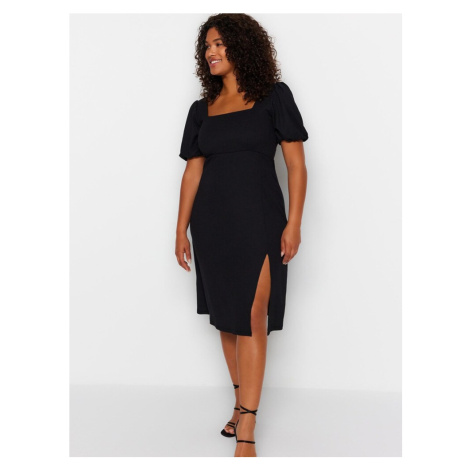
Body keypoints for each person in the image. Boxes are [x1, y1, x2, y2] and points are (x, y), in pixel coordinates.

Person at [175, 13, 308, 457]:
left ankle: (248, 421)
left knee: (253, 314)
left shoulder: (273, 96)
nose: (211, 52)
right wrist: (180, 229)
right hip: (211, 224)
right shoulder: (202, 109)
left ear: (242, 46)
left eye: (220, 44)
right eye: (207, 46)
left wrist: (294, 222)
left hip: (260, 220)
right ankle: (239, 402)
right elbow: (193, 173)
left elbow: (296, 166)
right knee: (228, 317)